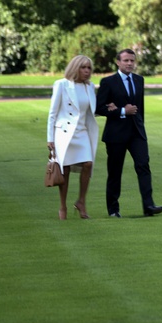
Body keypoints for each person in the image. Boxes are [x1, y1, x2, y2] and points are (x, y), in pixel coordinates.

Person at [95, 48, 162, 218]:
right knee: (115, 171)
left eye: (132, 60)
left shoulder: (139, 80)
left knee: (143, 166)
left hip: (136, 133)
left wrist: (141, 126)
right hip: (116, 134)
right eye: (126, 60)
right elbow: (99, 108)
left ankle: (149, 206)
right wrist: (121, 111)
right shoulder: (108, 82)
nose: (129, 63)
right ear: (118, 62)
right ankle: (113, 210)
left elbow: (139, 108)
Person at [47, 55, 100, 220]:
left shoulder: (89, 87)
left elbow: (90, 110)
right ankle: (62, 206)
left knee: (88, 164)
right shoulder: (61, 84)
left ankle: (81, 201)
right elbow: (52, 113)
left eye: (89, 68)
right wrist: (50, 138)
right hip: (64, 133)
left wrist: (109, 108)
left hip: (82, 132)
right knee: (66, 169)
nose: (87, 71)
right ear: (75, 68)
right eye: (83, 67)